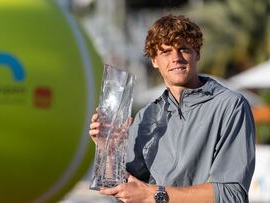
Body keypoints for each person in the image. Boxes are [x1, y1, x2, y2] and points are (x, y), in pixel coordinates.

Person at [89, 14, 255, 203]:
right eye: (166, 51)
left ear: (197, 53)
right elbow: (123, 192)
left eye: (183, 49)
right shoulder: (146, 116)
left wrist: (152, 194)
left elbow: (232, 194)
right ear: (154, 60)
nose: (176, 58)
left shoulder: (230, 106)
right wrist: (109, 151)